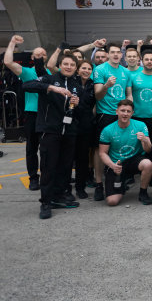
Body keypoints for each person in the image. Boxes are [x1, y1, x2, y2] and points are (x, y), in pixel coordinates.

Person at [22, 54, 82, 219]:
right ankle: (46, 202)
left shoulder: (77, 85)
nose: (68, 67)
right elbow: (27, 85)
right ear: (60, 65)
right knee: (48, 168)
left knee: (65, 167)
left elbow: (80, 111)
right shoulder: (48, 78)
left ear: (75, 68)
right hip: (50, 131)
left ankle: (59, 196)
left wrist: (77, 104)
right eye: (65, 64)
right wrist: (52, 88)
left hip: (69, 132)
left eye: (72, 65)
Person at [3, 35, 48, 191]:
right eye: (37, 55)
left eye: (43, 55)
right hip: (32, 114)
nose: (40, 57)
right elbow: (8, 62)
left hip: (48, 115)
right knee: (32, 148)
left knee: (47, 149)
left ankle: (48, 177)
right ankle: (33, 178)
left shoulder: (51, 72)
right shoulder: (27, 72)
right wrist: (12, 43)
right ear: (32, 57)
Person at [92, 43, 131, 201]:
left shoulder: (126, 72)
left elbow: (129, 94)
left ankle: (118, 178)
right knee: (99, 150)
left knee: (120, 146)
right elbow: (98, 95)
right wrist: (107, 85)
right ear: (107, 54)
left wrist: (129, 111)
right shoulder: (100, 70)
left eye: (118, 52)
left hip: (121, 115)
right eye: (112, 52)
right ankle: (99, 184)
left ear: (122, 55)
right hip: (105, 114)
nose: (115, 55)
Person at [98, 99, 152, 206]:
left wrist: (145, 140)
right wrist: (112, 166)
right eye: (122, 111)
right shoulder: (107, 130)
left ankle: (143, 193)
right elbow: (102, 153)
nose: (125, 114)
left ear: (132, 113)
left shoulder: (141, 125)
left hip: (134, 160)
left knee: (148, 164)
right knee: (112, 201)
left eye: (128, 111)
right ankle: (121, 185)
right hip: (116, 163)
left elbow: (148, 149)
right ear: (117, 111)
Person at [73, 59, 96, 199]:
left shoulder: (92, 85)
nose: (86, 71)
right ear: (78, 70)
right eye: (83, 68)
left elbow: (91, 104)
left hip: (85, 126)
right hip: (70, 125)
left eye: (89, 69)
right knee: (67, 158)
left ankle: (80, 187)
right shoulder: (71, 82)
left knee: (82, 159)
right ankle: (63, 188)